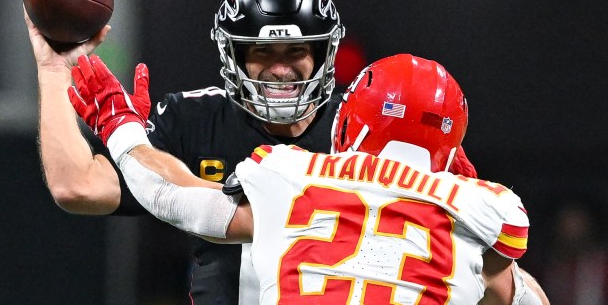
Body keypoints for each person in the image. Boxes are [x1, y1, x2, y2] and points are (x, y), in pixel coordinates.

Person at [27, 0, 476, 304]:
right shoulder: (194, 116)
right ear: (234, 56)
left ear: (324, 53)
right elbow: (77, 186)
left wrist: (130, 141)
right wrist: (53, 67)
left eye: (297, 49)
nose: (280, 67)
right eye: (261, 50)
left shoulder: (366, 125)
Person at [67, 52, 550, 304]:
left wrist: (122, 130)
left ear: (351, 119)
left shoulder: (293, 174)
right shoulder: (483, 208)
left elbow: (171, 197)